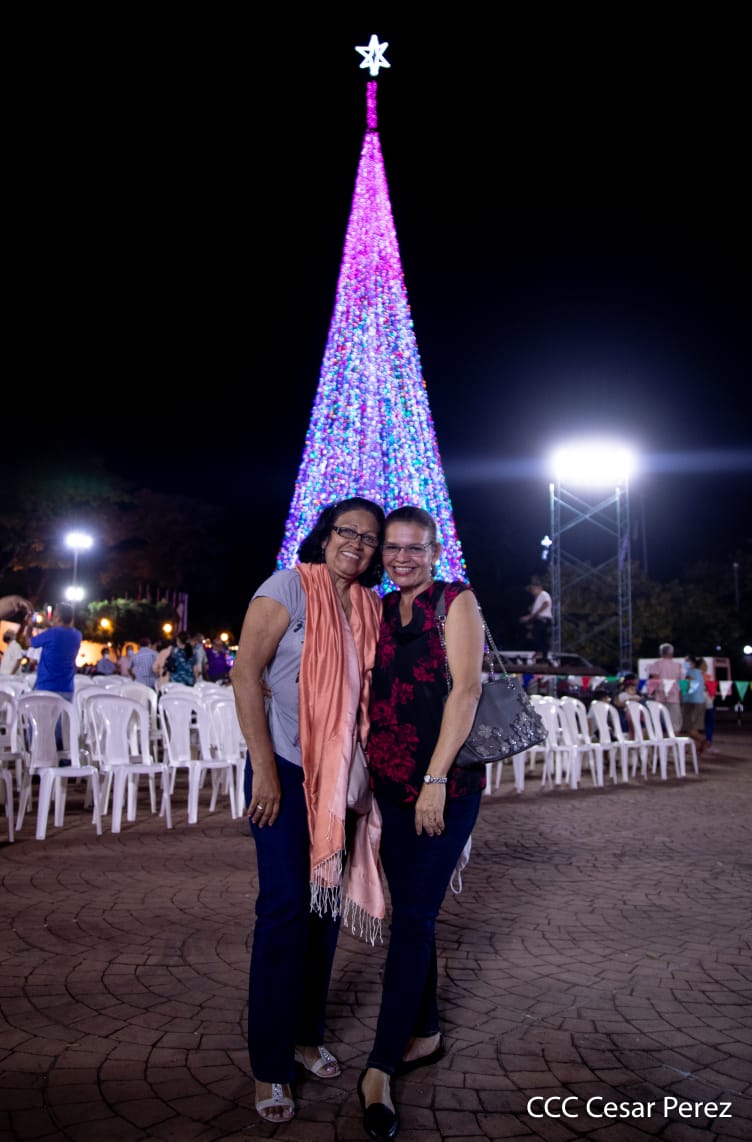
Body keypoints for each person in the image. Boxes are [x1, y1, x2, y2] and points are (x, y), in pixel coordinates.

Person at [231, 497, 385, 1125]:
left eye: (369, 538)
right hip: (285, 767)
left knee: (324, 909)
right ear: (325, 535)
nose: (357, 544)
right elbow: (245, 675)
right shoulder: (287, 588)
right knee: (285, 907)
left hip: (339, 778)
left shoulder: (371, 606)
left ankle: (305, 1034)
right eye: (347, 531)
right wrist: (265, 768)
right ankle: (270, 1063)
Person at [358, 505, 485, 1141]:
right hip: (390, 784)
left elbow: (466, 692)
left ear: (434, 552)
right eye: (392, 548)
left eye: (414, 548)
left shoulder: (455, 602)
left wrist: (435, 780)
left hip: (445, 786)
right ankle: (427, 1032)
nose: (402, 558)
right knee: (411, 911)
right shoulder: (380, 609)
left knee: (411, 918)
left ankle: (379, 1067)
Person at [29, 603, 82, 703]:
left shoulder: (51, 633)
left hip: (46, 688)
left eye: (54, 616)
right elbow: (61, 632)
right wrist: (49, 624)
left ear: (58, 617)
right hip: (67, 689)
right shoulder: (78, 635)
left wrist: (30, 624)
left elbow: (27, 642)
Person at [647, 642, 684, 732]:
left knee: (657, 722)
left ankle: (659, 740)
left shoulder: (657, 664)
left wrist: (650, 693)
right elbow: (682, 682)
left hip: (660, 696)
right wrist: (681, 695)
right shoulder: (678, 666)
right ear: (672, 653)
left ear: (661, 653)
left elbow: (654, 680)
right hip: (674, 696)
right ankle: (674, 740)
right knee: (675, 723)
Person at [519, 575, 552, 663]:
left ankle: (540, 653)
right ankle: (541, 655)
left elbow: (546, 604)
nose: (532, 592)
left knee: (539, 637)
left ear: (539, 588)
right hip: (539, 620)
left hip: (543, 619)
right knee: (538, 637)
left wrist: (531, 616)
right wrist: (528, 618)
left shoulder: (543, 594)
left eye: (533, 589)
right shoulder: (538, 598)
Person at [682, 655, 707, 754]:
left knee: (688, 727)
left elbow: (688, 686)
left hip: (691, 702)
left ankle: (702, 740)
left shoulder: (690, 672)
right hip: (699, 701)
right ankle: (695, 747)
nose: (685, 663)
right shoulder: (699, 672)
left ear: (692, 663)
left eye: (687, 661)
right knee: (694, 727)